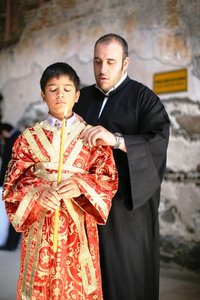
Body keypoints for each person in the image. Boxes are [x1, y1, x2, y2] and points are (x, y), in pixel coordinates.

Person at [2, 62, 118, 300]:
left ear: (77, 95)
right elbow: (13, 184)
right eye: (53, 89)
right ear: (43, 95)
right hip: (40, 230)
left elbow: (108, 179)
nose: (60, 95)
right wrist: (38, 193)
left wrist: (80, 185)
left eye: (67, 89)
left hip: (79, 233)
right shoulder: (28, 138)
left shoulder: (92, 136)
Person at [74, 33, 170, 300]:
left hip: (126, 210)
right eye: (97, 61)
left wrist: (116, 140)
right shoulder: (81, 99)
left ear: (125, 64)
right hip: (85, 207)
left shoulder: (144, 99)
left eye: (111, 62)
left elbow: (158, 141)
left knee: (125, 280)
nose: (102, 70)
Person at [0, 123, 21, 250]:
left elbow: (12, 164)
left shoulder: (15, 139)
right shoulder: (15, 137)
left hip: (14, 183)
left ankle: (11, 244)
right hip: (13, 183)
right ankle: (9, 243)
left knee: (14, 215)